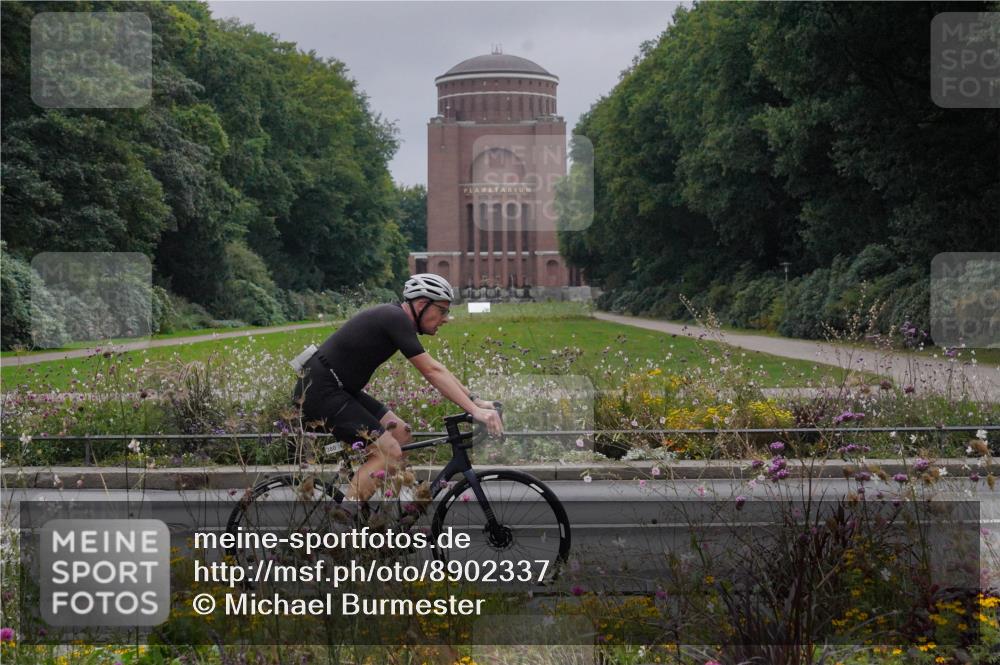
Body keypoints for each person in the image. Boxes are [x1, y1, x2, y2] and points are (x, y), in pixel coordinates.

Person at [292, 273, 503, 505]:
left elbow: (437, 368)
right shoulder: (394, 317)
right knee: (388, 452)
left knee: (401, 434)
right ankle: (345, 521)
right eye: (442, 310)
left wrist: (475, 400)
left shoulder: (396, 319)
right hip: (321, 391)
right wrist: (475, 411)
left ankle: (385, 512)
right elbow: (431, 371)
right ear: (422, 304)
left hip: (339, 389)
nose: (446, 319)